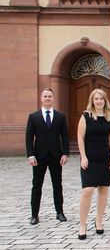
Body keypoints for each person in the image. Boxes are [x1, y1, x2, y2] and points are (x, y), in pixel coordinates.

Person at [77, 89, 110, 240]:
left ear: (105, 100)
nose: (99, 101)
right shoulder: (86, 116)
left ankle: (99, 221)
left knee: (103, 190)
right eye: (96, 99)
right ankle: (82, 224)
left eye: (101, 99)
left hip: (105, 158)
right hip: (89, 158)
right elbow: (80, 138)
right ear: (92, 101)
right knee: (87, 190)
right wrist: (83, 157)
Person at [25, 88, 69, 225]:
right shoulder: (33, 116)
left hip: (56, 156)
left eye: (50, 96)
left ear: (53, 98)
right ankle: (34, 215)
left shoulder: (60, 116)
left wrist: (65, 153)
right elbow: (29, 137)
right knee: (37, 186)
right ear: (41, 98)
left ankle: (60, 212)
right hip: (39, 157)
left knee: (57, 185)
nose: (48, 98)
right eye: (45, 96)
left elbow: (65, 136)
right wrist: (30, 155)